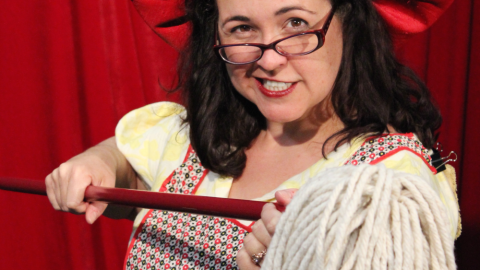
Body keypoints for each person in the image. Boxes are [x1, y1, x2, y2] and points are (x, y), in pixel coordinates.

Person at [45, 0, 460, 269]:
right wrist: (100, 162)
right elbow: (126, 168)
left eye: (295, 24)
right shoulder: (196, 141)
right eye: (242, 29)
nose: (270, 59)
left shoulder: (384, 183)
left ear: (350, 23)